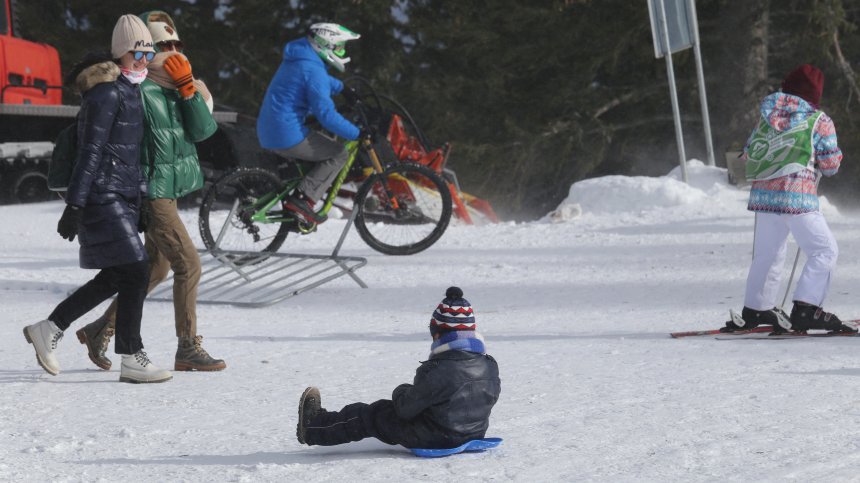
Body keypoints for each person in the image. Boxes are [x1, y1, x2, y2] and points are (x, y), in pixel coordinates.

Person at [22, 15, 172, 383]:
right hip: (101, 195)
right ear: (122, 54)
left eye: (149, 53)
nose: (144, 60)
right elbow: (91, 151)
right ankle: (132, 355)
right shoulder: (105, 93)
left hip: (119, 195)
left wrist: (137, 202)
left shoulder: (131, 91)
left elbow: (131, 155)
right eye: (138, 53)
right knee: (137, 271)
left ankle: (50, 327)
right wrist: (75, 204)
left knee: (118, 275)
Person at [75, 10, 225, 373]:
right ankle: (187, 346)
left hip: (168, 189)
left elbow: (204, 132)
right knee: (189, 264)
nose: (172, 52)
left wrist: (189, 89)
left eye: (177, 44)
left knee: (153, 270)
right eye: (163, 45)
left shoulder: (178, 88)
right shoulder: (139, 89)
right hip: (151, 192)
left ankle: (100, 329)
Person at [728, 64, 856, 334]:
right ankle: (807, 309)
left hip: (764, 194)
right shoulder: (818, 120)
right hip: (796, 195)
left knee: (768, 254)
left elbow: (750, 151)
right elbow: (831, 164)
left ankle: (756, 308)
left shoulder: (765, 115)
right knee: (824, 251)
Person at [296, 287, 501, 449]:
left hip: (434, 437)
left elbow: (405, 409)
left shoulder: (438, 370)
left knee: (372, 414)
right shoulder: (489, 365)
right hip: (474, 433)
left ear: (439, 334)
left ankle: (313, 426)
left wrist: (401, 390)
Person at [256, 22, 364, 224]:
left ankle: (298, 198)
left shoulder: (301, 58)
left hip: (271, 128)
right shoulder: (313, 71)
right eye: (339, 46)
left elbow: (317, 79)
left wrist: (342, 89)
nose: (342, 51)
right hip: (286, 134)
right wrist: (357, 133)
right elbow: (327, 115)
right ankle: (303, 200)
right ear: (326, 44)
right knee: (338, 153)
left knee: (320, 139)